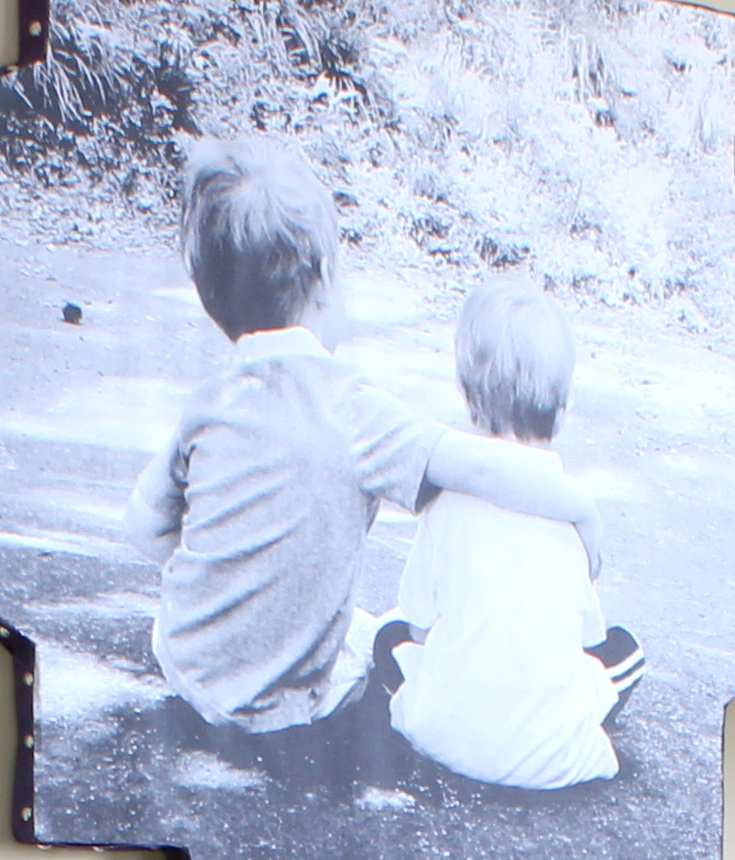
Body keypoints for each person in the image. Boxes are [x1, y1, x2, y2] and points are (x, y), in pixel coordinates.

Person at [124, 141, 595, 765]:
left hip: (187, 668)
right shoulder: (355, 411)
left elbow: (144, 525)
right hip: (291, 707)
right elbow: (481, 466)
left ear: (215, 302)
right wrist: (579, 511)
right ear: (321, 281)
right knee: (373, 642)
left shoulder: (209, 403)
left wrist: (225, 580)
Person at [385, 277, 646, 791]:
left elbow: (417, 629)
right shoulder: (569, 515)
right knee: (623, 653)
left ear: (469, 399)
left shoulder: (445, 501)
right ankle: (551, 726)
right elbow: (587, 641)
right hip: (552, 766)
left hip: (446, 740)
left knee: (388, 639)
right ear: (563, 409)